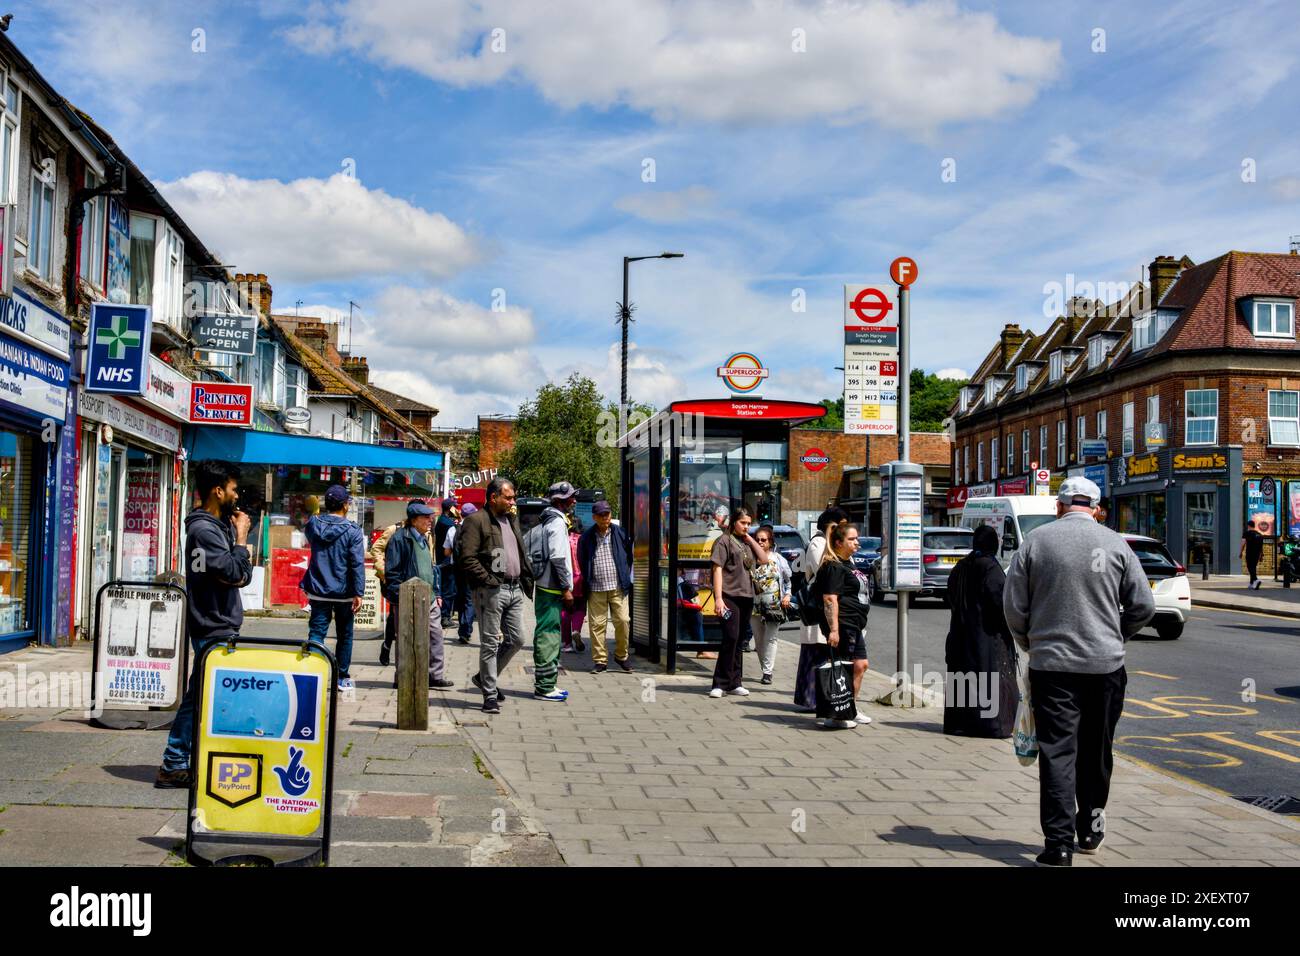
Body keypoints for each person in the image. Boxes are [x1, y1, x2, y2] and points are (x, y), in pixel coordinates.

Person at [1003, 476, 1155, 867]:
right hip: (1106, 667)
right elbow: (1144, 606)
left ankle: (1058, 845)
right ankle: (1089, 828)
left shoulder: (1036, 543)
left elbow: (1014, 607)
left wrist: (1031, 642)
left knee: (1057, 752)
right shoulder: (1116, 543)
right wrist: (1116, 635)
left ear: (1059, 506)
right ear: (1097, 508)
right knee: (1097, 749)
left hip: (1052, 667)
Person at [155, 460, 253, 788]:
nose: (236, 494)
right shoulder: (204, 530)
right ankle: (173, 762)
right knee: (198, 696)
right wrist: (241, 540)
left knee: (204, 695)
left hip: (218, 619)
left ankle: (186, 758)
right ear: (217, 490)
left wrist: (236, 549)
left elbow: (236, 574)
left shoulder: (215, 525)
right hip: (212, 622)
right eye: (233, 488)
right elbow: (233, 572)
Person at [459, 477, 535, 713]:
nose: (513, 501)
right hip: (491, 590)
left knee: (517, 639)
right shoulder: (476, 520)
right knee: (490, 643)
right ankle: (489, 694)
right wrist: (489, 580)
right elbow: (467, 558)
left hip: (514, 588)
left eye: (513, 497)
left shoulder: (511, 520)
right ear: (494, 498)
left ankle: (483, 678)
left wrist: (525, 577)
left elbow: (517, 553)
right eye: (508, 497)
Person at [943, 524, 1016, 738]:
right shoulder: (991, 568)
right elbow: (999, 602)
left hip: (960, 633)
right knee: (988, 678)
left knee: (962, 678)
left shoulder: (961, 566)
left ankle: (960, 724)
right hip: (986, 635)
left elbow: (951, 595)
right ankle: (991, 725)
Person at [301, 485, 366, 691]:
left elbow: (312, 539)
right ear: (346, 505)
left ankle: (313, 675)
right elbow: (356, 563)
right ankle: (342, 678)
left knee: (317, 632)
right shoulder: (352, 530)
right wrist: (359, 592)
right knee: (344, 635)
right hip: (344, 591)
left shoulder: (313, 524)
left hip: (318, 588)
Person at [384, 500, 454, 690]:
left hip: (429, 596)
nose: (430, 520)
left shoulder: (425, 537)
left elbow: (430, 568)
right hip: (409, 597)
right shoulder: (400, 539)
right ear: (414, 520)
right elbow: (393, 573)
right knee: (405, 639)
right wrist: (401, 595)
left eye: (430, 517)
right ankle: (403, 677)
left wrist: (437, 591)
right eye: (426, 517)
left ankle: (434, 675)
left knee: (436, 635)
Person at [708, 505, 770, 698]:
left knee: (740, 639)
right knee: (730, 637)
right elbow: (717, 569)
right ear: (733, 521)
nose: (746, 526)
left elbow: (764, 559)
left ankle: (735, 682)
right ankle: (720, 683)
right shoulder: (723, 541)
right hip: (729, 596)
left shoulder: (745, 542)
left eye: (749, 524)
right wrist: (718, 598)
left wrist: (750, 538)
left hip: (747, 596)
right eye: (743, 522)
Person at [814, 520, 872, 729]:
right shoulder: (833, 567)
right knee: (843, 669)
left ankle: (850, 708)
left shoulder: (848, 563)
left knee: (860, 665)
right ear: (838, 542)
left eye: (856, 538)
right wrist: (834, 630)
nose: (857, 542)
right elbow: (830, 599)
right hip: (843, 624)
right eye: (852, 539)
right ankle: (836, 715)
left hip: (854, 624)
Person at [524, 481, 576, 701]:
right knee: (549, 635)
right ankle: (545, 687)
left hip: (547, 585)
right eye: (570, 498)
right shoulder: (556, 523)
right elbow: (557, 557)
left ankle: (547, 683)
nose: (573, 501)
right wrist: (566, 588)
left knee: (549, 632)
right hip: (553, 587)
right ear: (559, 501)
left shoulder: (548, 521)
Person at [793, 508, 846, 711]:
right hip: (817, 607)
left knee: (824, 654)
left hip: (829, 607)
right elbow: (823, 569)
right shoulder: (818, 543)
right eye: (840, 524)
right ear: (829, 526)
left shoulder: (831, 544)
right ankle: (811, 699)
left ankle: (822, 698)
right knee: (815, 654)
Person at [578, 499, 633, 673]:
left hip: (618, 587)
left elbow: (628, 558)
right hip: (596, 588)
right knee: (597, 625)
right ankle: (600, 660)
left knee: (623, 621)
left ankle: (621, 655)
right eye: (601, 515)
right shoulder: (586, 538)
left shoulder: (621, 533)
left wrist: (625, 575)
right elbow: (582, 559)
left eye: (607, 514)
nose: (605, 518)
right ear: (594, 517)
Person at [369, 499, 426, 666]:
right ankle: (388, 646)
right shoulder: (395, 529)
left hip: (418, 584)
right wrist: (383, 571)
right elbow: (376, 549)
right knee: (395, 616)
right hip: (395, 580)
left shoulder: (426, 532)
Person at [751, 525, 792, 685]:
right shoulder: (751, 559)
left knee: (771, 638)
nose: (760, 542)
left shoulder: (779, 559)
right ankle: (764, 668)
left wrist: (787, 595)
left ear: (770, 541)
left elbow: (788, 581)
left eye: (763, 540)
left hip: (774, 604)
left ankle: (767, 672)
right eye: (758, 540)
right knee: (759, 639)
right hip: (754, 604)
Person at [445, 502, 477, 643]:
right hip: (472, 569)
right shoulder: (476, 529)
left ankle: (462, 629)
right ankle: (465, 629)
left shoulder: (453, 529)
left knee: (461, 598)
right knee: (470, 600)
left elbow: (446, 551)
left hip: (457, 569)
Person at [561, 513, 587, 654]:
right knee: (580, 607)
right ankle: (576, 629)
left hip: (566, 579)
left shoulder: (563, 540)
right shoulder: (583, 540)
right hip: (581, 579)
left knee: (565, 610)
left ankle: (567, 643)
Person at [435, 498, 459, 626]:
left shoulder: (442, 521)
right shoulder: (448, 524)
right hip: (447, 560)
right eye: (454, 507)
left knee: (447, 588)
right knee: (448, 590)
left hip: (443, 559)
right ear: (450, 508)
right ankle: (445, 617)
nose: (456, 509)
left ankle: (445, 615)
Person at [1240, 519, 1264, 590]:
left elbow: (1243, 544)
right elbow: (1261, 546)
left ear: (1248, 526)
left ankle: (1256, 580)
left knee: (1249, 567)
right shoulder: (1260, 535)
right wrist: (1261, 555)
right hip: (1257, 553)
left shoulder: (1246, 533)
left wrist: (1240, 552)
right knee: (1253, 567)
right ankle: (1251, 584)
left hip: (1250, 552)